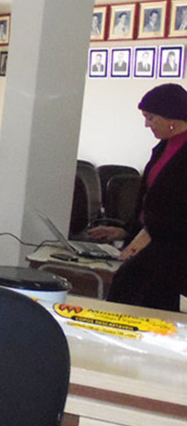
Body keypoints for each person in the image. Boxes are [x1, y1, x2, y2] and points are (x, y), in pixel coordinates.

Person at [86, 84, 187, 312]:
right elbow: (151, 200)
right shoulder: (164, 147)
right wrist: (126, 231)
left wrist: (150, 232)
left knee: (134, 290)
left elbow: (178, 206)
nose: (146, 124)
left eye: (151, 118)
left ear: (171, 116)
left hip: (174, 247)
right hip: (158, 241)